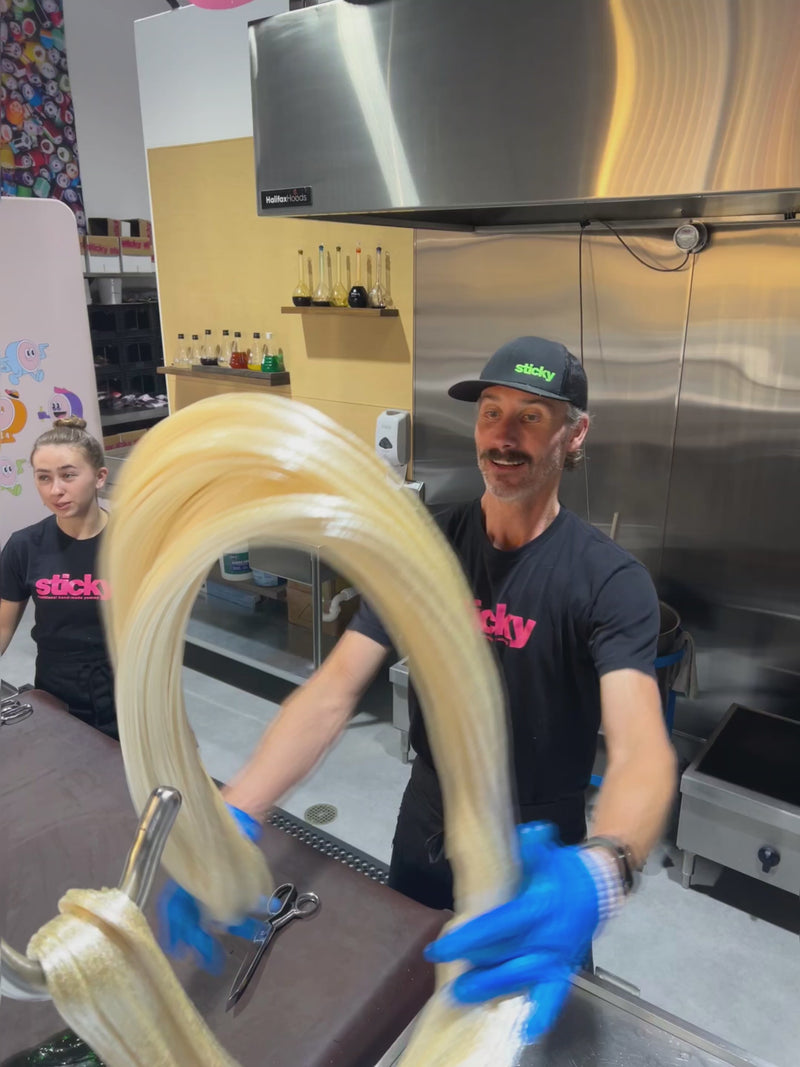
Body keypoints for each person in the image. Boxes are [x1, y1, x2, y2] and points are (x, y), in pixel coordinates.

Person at [160, 336, 676, 1041]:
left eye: (530, 416)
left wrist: (603, 869)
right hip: (427, 825)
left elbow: (641, 747)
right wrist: (236, 810)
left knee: (514, 1038)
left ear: (575, 433)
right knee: (405, 1017)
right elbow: (334, 688)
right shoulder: (427, 544)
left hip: (537, 854)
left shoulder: (609, 581)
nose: (503, 435)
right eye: (491, 412)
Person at [0, 417, 117, 739]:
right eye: (44, 478)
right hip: (55, 693)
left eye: (68, 475)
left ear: (99, 477)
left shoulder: (134, 542)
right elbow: (3, 627)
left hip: (127, 693)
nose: (56, 490)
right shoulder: (24, 546)